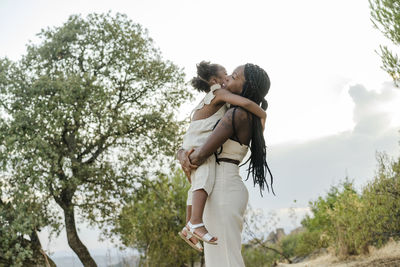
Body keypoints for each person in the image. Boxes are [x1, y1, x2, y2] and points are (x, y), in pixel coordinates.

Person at [178, 63, 273, 266]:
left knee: (226, 260)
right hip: (222, 185)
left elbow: (200, 155)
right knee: (222, 259)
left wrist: (184, 156)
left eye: (235, 76)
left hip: (221, 186)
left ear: (246, 87)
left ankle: (192, 225)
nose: (228, 77)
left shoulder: (236, 114)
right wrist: (182, 153)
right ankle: (191, 225)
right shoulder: (242, 114)